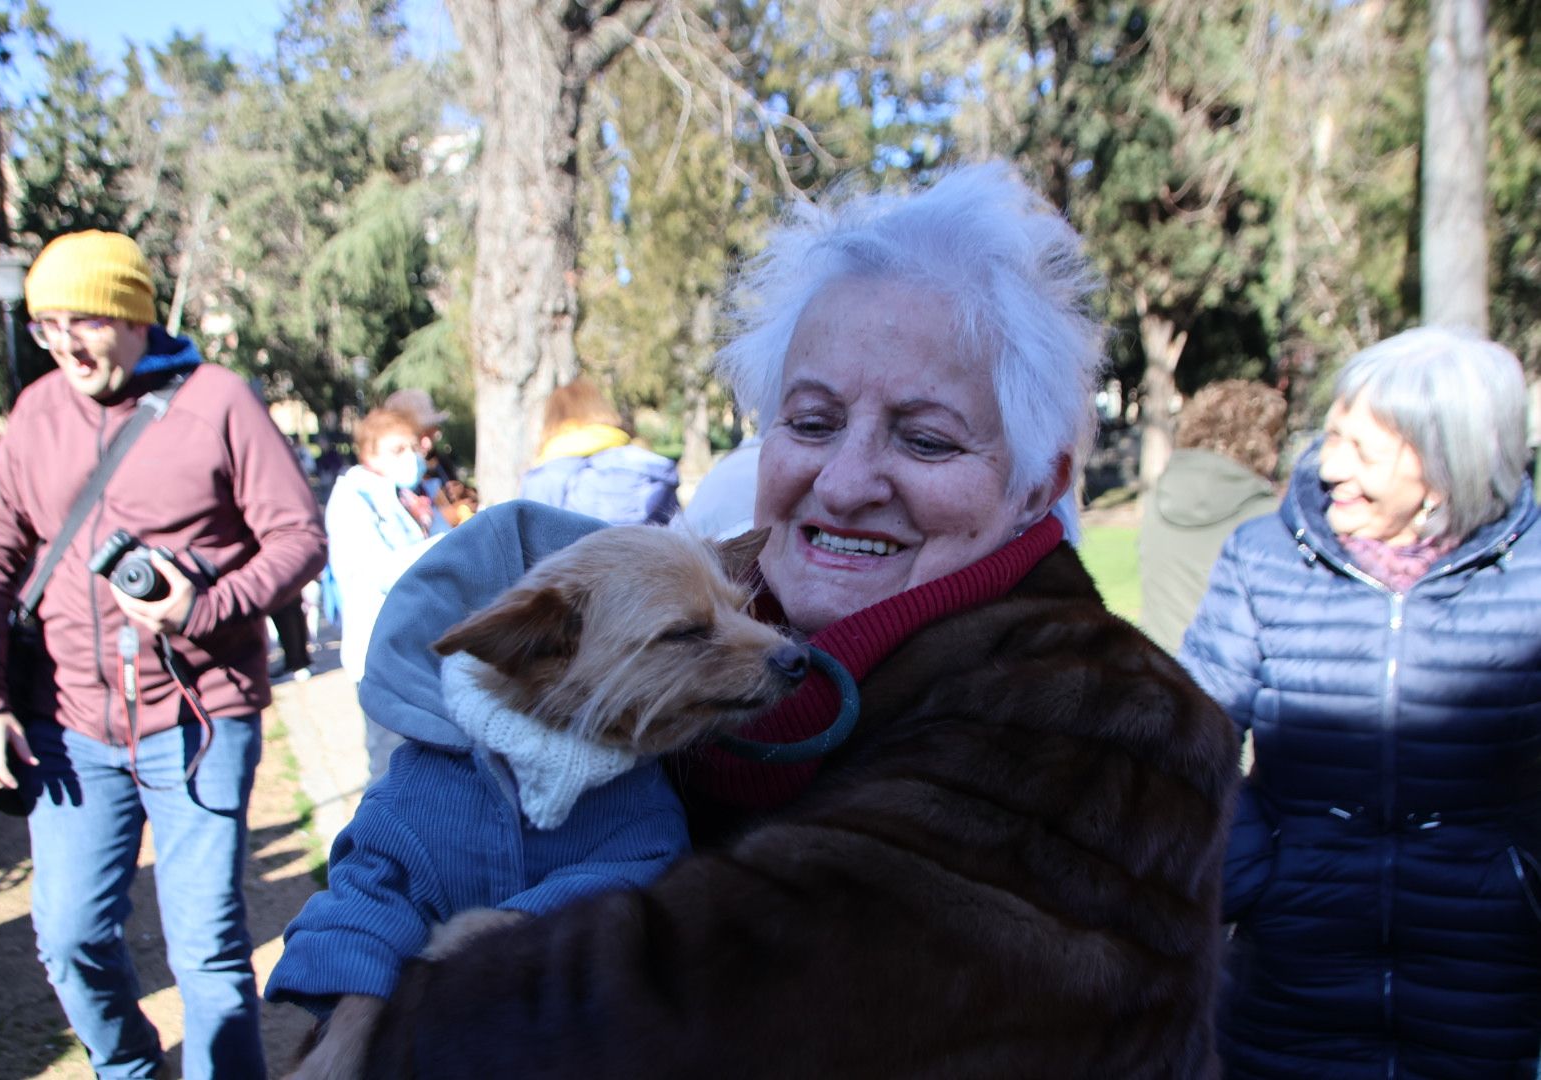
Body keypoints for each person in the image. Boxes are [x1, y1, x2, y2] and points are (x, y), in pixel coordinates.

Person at [281, 163, 1241, 1076]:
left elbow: (690, 1029)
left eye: (927, 438)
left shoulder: (1109, 733)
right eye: (813, 422)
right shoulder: (663, 612)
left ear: (1041, 483)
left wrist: (391, 1012)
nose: (849, 480)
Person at [0, 230, 327, 1079]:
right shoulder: (36, 413)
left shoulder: (219, 400)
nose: (63, 344)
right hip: (71, 727)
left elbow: (299, 539)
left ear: (130, 314)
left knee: (209, 956)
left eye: (81, 320)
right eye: (45, 324)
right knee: (71, 937)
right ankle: (128, 1068)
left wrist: (207, 605)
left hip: (199, 721)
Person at [1180, 327, 1541, 1078]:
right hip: (1288, 978)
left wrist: (1518, 876)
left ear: (1448, 464)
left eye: (1364, 451)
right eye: (1332, 436)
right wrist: (1254, 871)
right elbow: (1189, 742)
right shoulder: (1263, 557)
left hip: (1485, 983)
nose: (1330, 466)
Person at [323, 406, 437, 783]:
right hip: (380, 654)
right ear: (370, 454)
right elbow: (377, 571)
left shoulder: (407, 496)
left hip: (420, 649)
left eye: (411, 448)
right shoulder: (354, 499)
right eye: (397, 450)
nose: (410, 458)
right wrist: (447, 546)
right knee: (390, 765)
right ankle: (380, 841)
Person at [1139, 379, 1286, 654]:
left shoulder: (1157, 497)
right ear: (1262, 443)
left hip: (1158, 672)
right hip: (1225, 682)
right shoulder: (1270, 518)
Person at [519, 376, 680, 525]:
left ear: (552, 420)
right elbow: (679, 539)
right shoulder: (650, 468)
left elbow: (532, 549)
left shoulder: (542, 480)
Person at [384, 387, 464, 535]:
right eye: (419, 435)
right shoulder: (376, 492)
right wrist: (442, 519)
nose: (427, 443)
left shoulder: (431, 471)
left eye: (430, 433)